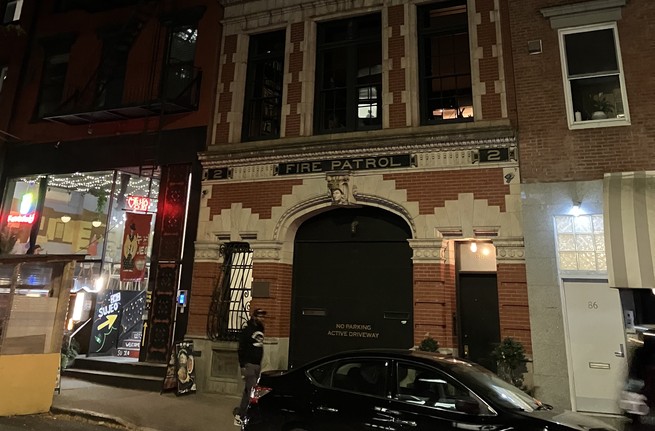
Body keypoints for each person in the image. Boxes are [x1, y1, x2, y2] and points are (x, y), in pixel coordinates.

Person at [235, 308, 266, 427]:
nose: (262, 318)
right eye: (259, 316)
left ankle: (241, 414)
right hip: (249, 364)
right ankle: (247, 416)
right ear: (254, 316)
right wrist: (242, 365)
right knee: (253, 391)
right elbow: (241, 349)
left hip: (257, 365)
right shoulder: (247, 330)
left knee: (248, 391)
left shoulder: (261, 329)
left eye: (263, 316)